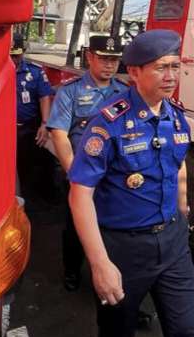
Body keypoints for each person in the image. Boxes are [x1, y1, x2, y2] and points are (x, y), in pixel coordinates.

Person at [68, 30, 194, 337]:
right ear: (134, 72)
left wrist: (184, 208)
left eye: (175, 66)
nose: (171, 75)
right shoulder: (108, 125)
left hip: (172, 246)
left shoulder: (176, 116)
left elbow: (179, 166)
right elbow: (80, 194)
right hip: (125, 249)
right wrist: (100, 264)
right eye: (161, 67)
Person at [47, 35, 129, 291]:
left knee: (114, 228)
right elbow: (59, 133)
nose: (109, 65)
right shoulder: (70, 91)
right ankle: (72, 271)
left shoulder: (124, 93)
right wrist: (74, 173)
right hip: (80, 169)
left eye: (114, 60)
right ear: (90, 57)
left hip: (113, 173)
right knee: (75, 226)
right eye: (104, 59)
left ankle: (112, 276)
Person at [12, 33, 53, 199]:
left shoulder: (35, 72)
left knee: (30, 165)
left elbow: (44, 96)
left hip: (28, 128)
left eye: (16, 55)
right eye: (10, 55)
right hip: (1, 129)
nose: (13, 60)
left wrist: (45, 123)